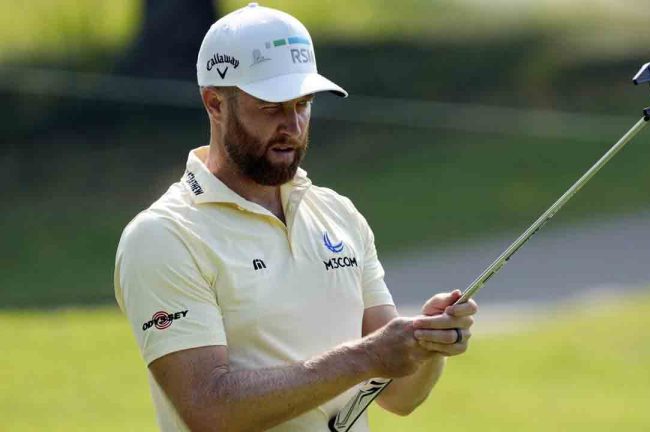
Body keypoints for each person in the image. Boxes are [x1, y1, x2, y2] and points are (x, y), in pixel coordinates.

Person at [114, 4, 478, 431]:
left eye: (303, 103)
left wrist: (426, 344)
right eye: (271, 107)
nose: (292, 124)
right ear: (215, 103)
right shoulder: (164, 236)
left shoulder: (337, 214)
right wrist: (364, 356)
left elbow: (398, 395)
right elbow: (208, 409)